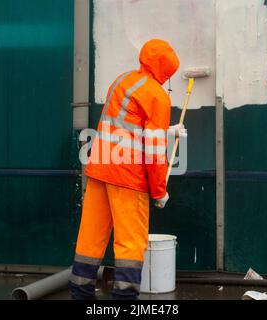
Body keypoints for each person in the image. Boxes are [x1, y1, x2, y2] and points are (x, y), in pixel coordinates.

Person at [69, 39, 186, 300]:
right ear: (166, 71)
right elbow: (155, 152)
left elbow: (126, 126)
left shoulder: (123, 80)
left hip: (100, 168)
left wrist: (167, 130)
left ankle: (80, 293)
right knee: (131, 243)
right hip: (127, 176)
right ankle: (123, 301)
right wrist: (159, 192)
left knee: (91, 236)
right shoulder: (157, 96)